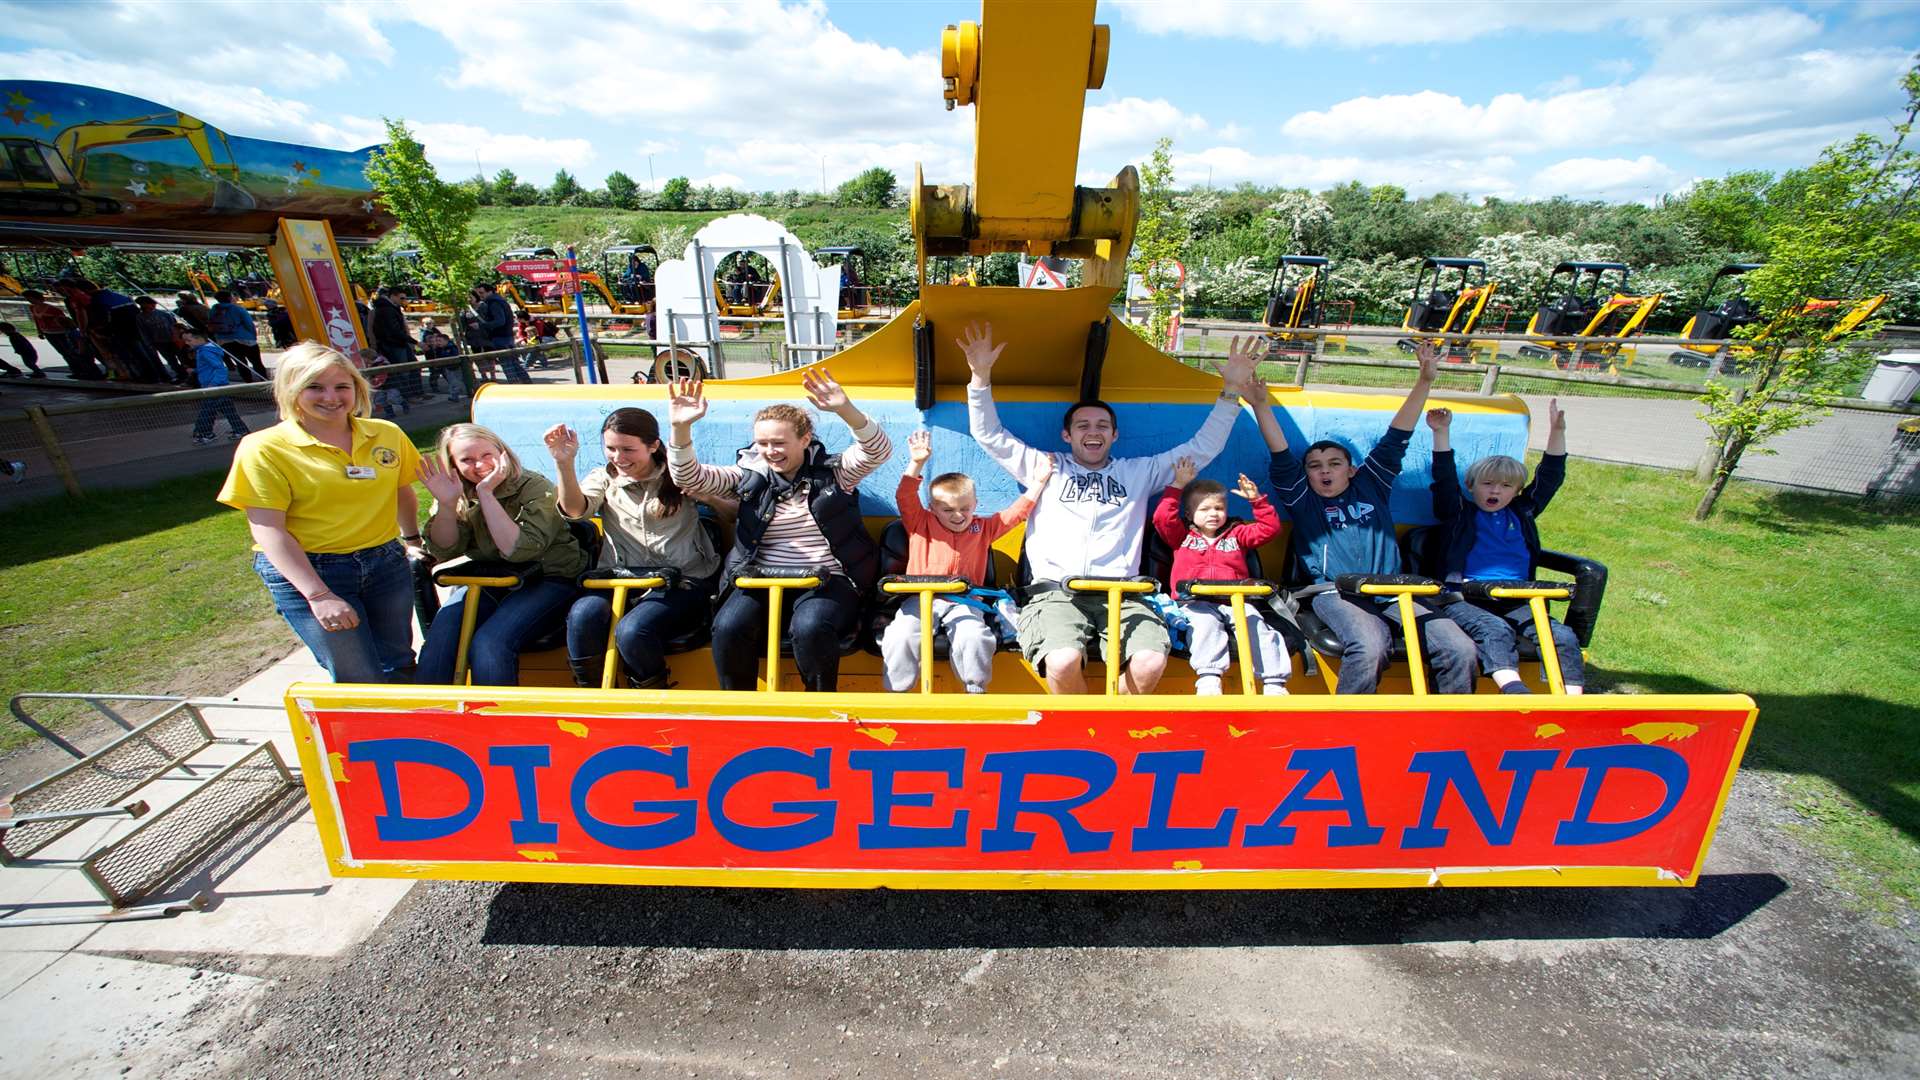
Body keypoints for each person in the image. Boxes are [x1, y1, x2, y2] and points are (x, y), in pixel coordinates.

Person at [961, 321, 1256, 695]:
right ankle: (1080, 736)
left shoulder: (1139, 472)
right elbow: (989, 434)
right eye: (1082, 425)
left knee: (1150, 660)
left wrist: (1231, 391)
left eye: (1102, 425)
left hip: (1124, 593)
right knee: (1063, 660)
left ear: (1114, 435)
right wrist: (979, 377)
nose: (1093, 431)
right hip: (1055, 594)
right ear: (1067, 436)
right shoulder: (1045, 466)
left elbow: (1201, 449)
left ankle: (1114, 723)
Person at [1241, 341, 1478, 694]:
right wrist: (1261, 404)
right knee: (1370, 646)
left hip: (1393, 591)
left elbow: (1398, 436)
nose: (1324, 472)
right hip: (1335, 593)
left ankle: (1448, 727)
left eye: (1334, 464)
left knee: (1460, 648)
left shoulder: (1372, 484)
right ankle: (1346, 731)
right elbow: (1280, 451)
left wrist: (1425, 382)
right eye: (1315, 466)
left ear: (1352, 470)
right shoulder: (1304, 498)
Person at [667, 369, 891, 692]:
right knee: (728, 627)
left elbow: (877, 451)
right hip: (760, 578)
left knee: (811, 626)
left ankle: (816, 706)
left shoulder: (835, 474)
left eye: (778, 443)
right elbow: (689, 478)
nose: (770, 451)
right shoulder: (748, 478)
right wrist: (680, 427)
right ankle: (740, 710)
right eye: (762, 444)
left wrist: (846, 410)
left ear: (804, 440)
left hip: (826, 579)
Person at [217, 343, 423, 683]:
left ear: (357, 389)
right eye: (315, 387)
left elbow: (401, 490)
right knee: (358, 675)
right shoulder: (264, 448)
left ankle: (410, 734)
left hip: (384, 562)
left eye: (342, 386)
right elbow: (269, 530)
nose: (331, 397)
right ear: (291, 391)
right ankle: (366, 734)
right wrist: (318, 594)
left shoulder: (386, 434)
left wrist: (411, 538)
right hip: (314, 568)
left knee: (398, 661)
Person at [546, 409, 730, 690]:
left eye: (628, 449)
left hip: (681, 583)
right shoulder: (605, 478)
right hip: (620, 580)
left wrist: (707, 497)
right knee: (583, 615)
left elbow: (732, 513)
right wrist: (564, 464)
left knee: (633, 631)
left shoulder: (679, 475)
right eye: (611, 448)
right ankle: (593, 698)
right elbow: (574, 510)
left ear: (653, 445)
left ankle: (651, 697)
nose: (619, 458)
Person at [1426, 401, 1584, 694]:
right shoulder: (1460, 513)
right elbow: (1444, 478)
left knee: (1560, 636)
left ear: (1516, 491)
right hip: (1468, 598)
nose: (1495, 491)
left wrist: (1557, 432)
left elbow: (1550, 478)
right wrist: (1441, 433)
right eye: (1487, 484)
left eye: (1505, 486)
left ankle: (1571, 700)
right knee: (1494, 630)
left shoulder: (1522, 514)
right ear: (1472, 487)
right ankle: (1512, 689)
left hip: (1518, 597)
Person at [415, 424, 587, 686]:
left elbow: (519, 551)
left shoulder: (533, 486)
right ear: (454, 465)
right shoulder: (455, 491)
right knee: (442, 636)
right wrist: (448, 506)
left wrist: (486, 494)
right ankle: (430, 719)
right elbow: (444, 549)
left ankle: (496, 718)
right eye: (467, 460)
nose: (480, 465)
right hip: (492, 579)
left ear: (502, 453)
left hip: (549, 579)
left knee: (490, 642)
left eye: (486, 455)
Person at [881, 429, 1049, 694]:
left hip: (966, 601)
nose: (957, 515)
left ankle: (974, 690)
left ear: (975, 504)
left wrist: (1038, 483)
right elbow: (904, 496)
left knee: (974, 636)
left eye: (965, 509)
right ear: (933, 508)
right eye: (947, 510)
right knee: (900, 635)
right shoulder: (919, 523)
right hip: (920, 598)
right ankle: (897, 694)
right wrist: (917, 462)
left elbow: (1017, 514)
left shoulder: (984, 529)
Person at [1151, 458, 1290, 695]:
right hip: (1195, 602)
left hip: (1235, 601)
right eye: (1204, 509)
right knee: (1205, 626)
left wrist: (1256, 501)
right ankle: (1209, 677)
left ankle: (1274, 682)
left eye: (1219, 508)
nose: (1213, 514)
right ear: (1189, 513)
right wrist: (1177, 485)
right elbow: (1162, 518)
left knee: (1258, 627)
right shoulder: (1181, 537)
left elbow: (1270, 529)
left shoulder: (1237, 534)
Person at [183, 328, 250, 444]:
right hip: (217, 385)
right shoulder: (205, 350)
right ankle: (241, 429)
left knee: (207, 411)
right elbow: (209, 367)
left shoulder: (205, 351)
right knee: (228, 410)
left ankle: (205, 433)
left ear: (199, 338)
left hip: (213, 386)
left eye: (189, 340)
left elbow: (219, 368)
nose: (187, 343)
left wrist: (213, 384)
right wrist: (195, 370)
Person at [21, 289, 95, 379]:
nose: (29, 300)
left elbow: (63, 320)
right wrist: (40, 331)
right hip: (48, 333)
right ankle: (75, 370)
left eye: (30, 298)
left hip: (60, 332)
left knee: (70, 352)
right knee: (63, 352)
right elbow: (37, 320)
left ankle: (83, 370)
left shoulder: (52, 309)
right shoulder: (32, 308)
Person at [469, 283, 530, 383]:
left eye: (482, 293)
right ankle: (526, 383)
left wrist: (482, 325)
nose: (480, 295)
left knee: (507, 365)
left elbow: (500, 321)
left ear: (490, 291)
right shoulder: (499, 300)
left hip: (501, 336)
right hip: (507, 335)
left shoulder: (494, 303)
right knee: (514, 363)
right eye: (478, 293)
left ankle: (516, 387)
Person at [209, 290, 269, 381]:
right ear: (229, 297)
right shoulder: (237, 308)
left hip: (225, 340)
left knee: (240, 362)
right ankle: (264, 380)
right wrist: (253, 336)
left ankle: (248, 382)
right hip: (245, 339)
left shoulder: (214, 310)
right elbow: (249, 323)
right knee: (256, 362)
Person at [133, 296, 189, 384]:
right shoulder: (140, 317)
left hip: (173, 340)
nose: (153, 305)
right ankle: (181, 375)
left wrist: (179, 337)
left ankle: (188, 375)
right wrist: (149, 344)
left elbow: (175, 326)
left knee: (182, 358)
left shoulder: (164, 314)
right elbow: (143, 331)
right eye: (150, 304)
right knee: (171, 361)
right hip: (159, 342)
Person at [419, 319, 466, 401]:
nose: (438, 342)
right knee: (437, 374)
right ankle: (450, 393)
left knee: (456, 380)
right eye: (437, 341)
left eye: (439, 341)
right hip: (441, 364)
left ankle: (459, 392)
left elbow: (453, 355)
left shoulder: (450, 347)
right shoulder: (425, 334)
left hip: (453, 367)